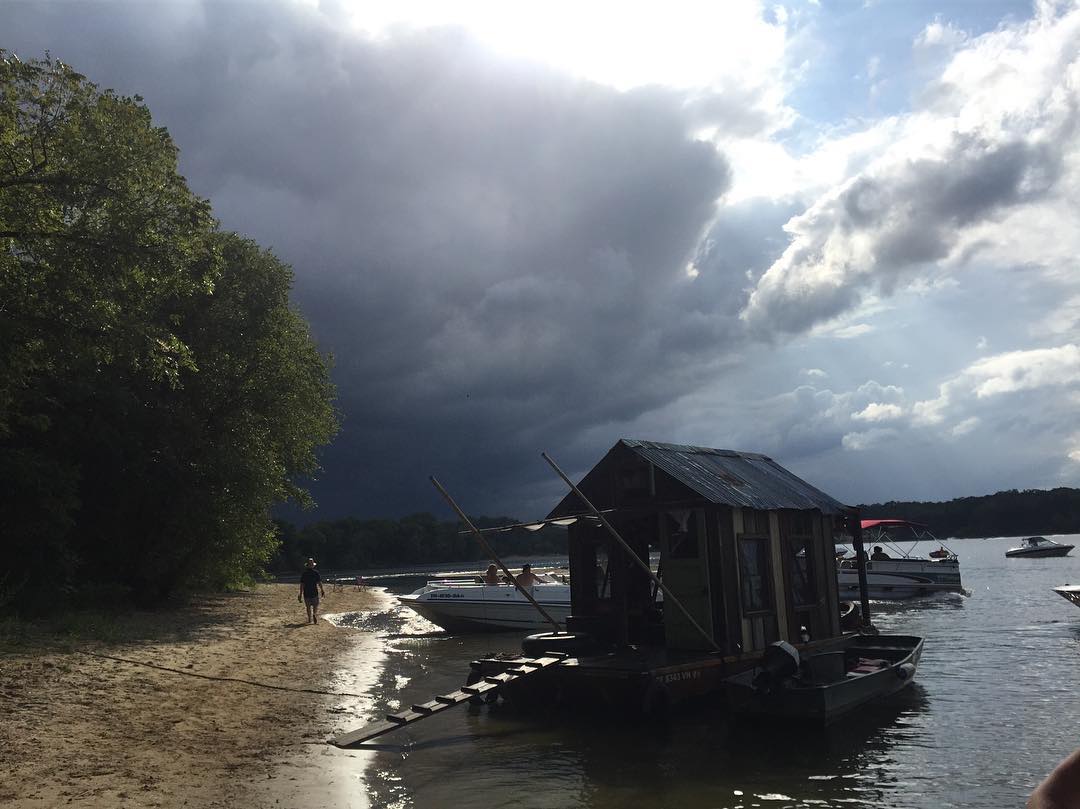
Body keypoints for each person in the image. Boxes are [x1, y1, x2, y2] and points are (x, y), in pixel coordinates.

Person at [298, 557, 325, 624]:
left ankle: (310, 619)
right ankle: (314, 614)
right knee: (315, 605)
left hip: (306, 593)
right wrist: (322, 590)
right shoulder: (316, 573)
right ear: (313, 565)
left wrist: (300, 594)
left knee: (308, 607)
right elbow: (319, 583)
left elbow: (302, 584)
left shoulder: (304, 574)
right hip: (314, 592)